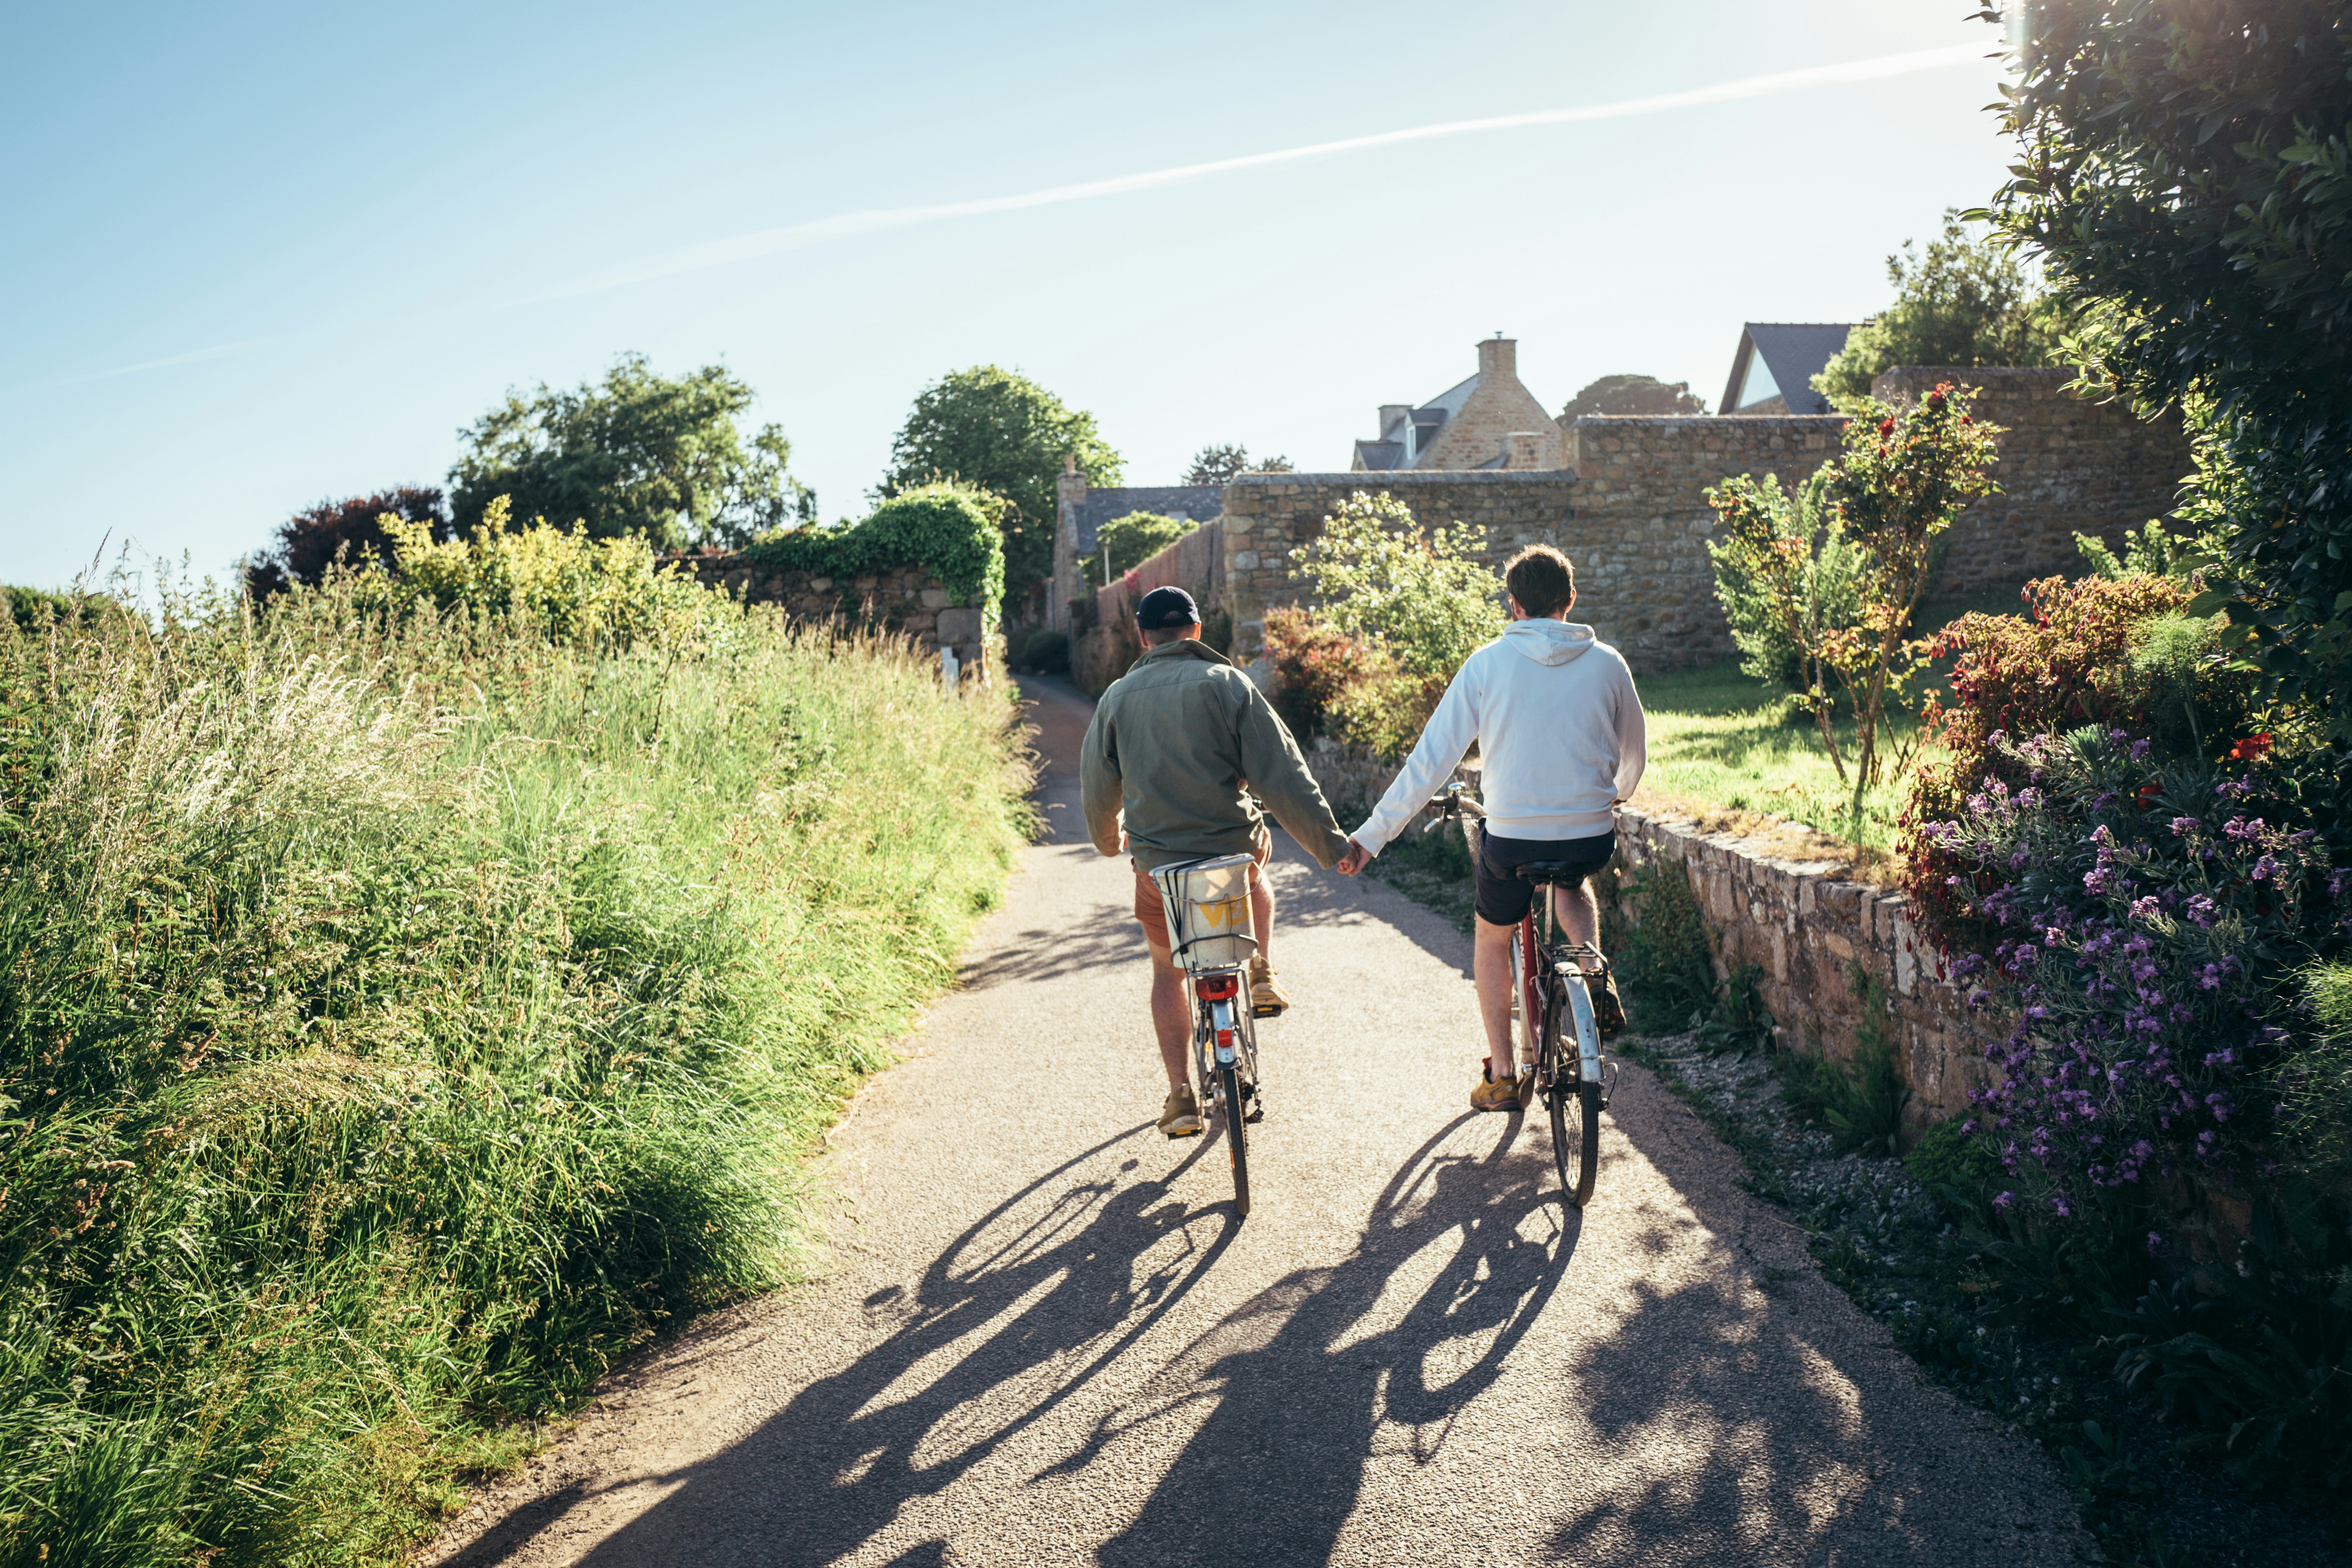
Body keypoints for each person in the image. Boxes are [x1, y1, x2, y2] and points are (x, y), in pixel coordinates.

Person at [1335, 545, 1645, 1112]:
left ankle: (1504, 1074)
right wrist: (1612, 797)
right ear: (1570, 600)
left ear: (1514, 604)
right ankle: (1593, 973)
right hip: (1589, 833)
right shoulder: (1608, 663)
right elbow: (1633, 755)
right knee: (1573, 885)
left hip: (1514, 837)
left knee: (1492, 935)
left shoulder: (1486, 665)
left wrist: (1370, 837)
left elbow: (1431, 761)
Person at [1081, 586, 1357, 1139]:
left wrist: (1111, 843)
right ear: (1198, 630)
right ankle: (1260, 969)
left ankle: (1182, 1094)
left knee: (1166, 970)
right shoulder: (1228, 684)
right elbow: (1281, 773)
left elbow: (1097, 788)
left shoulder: (1117, 697)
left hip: (1160, 869)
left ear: (1142, 637)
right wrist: (1331, 845)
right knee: (1258, 853)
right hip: (1231, 857)